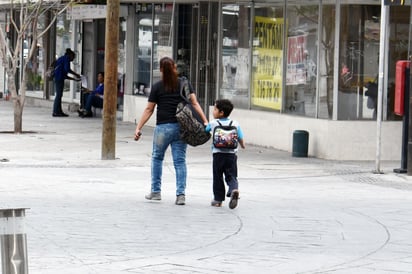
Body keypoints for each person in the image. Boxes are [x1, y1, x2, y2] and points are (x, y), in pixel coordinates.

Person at [134, 57, 208, 205]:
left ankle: (156, 192)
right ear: (175, 68)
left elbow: (149, 109)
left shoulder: (157, 87)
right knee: (180, 161)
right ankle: (180, 195)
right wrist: (205, 121)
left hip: (163, 128)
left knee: (157, 158)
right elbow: (194, 102)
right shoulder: (184, 84)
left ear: (160, 69)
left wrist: (139, 127)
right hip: (181, 127)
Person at [205, 99, 245, 209]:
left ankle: (218, 200)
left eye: (215, 109)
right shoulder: (235, 123)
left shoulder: (213, 123)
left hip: (218, 155)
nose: (213, 111)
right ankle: (234, 189)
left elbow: (206, 130)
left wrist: (205, 125)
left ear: (221, 112)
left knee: (218, 176)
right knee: (231, 175)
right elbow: (241, 137)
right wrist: (242, 145)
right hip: (232, 155)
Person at [52, 48, 81, 117]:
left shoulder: (61, 58)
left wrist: (74, 79)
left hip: (58, 78)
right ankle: (56, 111)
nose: (73, 59)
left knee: (59, 95)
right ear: (70, 55)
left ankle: (58, 111)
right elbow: (67, 69)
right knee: (59, 95)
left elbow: (65, 74)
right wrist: (76, 75)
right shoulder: (66, 59)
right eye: (73, 57)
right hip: (59, 79)